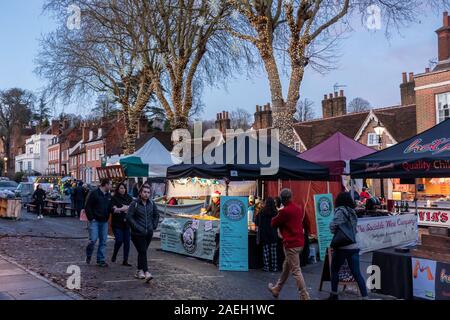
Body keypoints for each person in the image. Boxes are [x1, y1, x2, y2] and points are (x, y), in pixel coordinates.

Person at [268, 188, 310, 300]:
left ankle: (304, 295)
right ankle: (277, 288)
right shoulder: (298, 208)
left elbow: (273, 223)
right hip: (300, 242)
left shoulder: (284, 211)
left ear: (281, 199)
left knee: (296, 270)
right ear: (291, 197)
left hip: (291, 244)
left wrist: (279, 212)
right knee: (286, 267)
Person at [328, 192, 368, 300]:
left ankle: (334, 295)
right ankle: (365, 296)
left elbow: (333, 226)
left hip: (343, 246)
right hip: (354, 245)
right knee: (356, 273)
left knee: (335, 270)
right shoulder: (353, 212)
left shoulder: (340, 211)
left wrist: (335, 230)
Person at [127, 184, 159, 281]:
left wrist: (153, 226)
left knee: (142, 251)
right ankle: (146, 271)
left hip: (148, 233)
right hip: (137, 234)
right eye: (144, 192)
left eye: (148, 192)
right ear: (140, 193)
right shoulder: (134, 204)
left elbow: (156, 215)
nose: (146, 194)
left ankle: (139, 271)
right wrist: (137, 227)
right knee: (143, 251)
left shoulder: (152, 204)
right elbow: (129, 217)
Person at [84, 178, 112, 267]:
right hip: (95, 221)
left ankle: (100, 260)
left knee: (103, 241)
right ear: (106, 184)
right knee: (93, 240)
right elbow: (88, 206)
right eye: (110, 184)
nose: (111, 186)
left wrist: (115, 209)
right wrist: (91, 218)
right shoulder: (94, 193)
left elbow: (109, 207)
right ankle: (88, 255)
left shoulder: (108, 195)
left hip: (104, 221)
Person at [111, 183, 133, 266]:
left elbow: (133, 207)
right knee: (119, 240)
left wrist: (127, 208)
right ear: (118, 189)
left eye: (123, 188)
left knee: (127, 242)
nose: (122, 190)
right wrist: (120, 209)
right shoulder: (114, 198)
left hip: (126, 223)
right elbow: (112, 208)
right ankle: (115, 254)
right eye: (121, 188)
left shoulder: (129, 197)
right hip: (117, 223)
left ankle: (125, 260)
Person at [255, 198, 279, 272]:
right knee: (273, 251)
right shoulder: (276, 212)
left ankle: (266, 266)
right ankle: (274, 267)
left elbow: (256, 223)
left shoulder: (261, 212)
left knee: (266, 250)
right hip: (273, 233)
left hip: (264, 233)